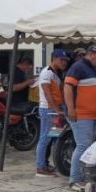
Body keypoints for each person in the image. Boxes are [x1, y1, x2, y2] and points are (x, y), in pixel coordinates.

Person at [64, 43, 96, 192]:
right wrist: (71, 108)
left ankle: (82, 177)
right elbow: (67, 87)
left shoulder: (94, 69)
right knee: (82, 146)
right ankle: (74, 180)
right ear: (92, 54)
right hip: (81, 114)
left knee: (87, 147)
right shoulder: (78, 67)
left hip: (93, 115)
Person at [36, 48, 69, 177]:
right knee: (45, 138)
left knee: (51, 138)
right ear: (54, 58)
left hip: (54, 110)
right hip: (48, 110)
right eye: (62, 60)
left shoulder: (56, 74)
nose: (64, 63)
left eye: (65, 60)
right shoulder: (47, 73)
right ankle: (40, 167)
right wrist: (56, 109)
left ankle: (44, 164)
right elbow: (47, 92)